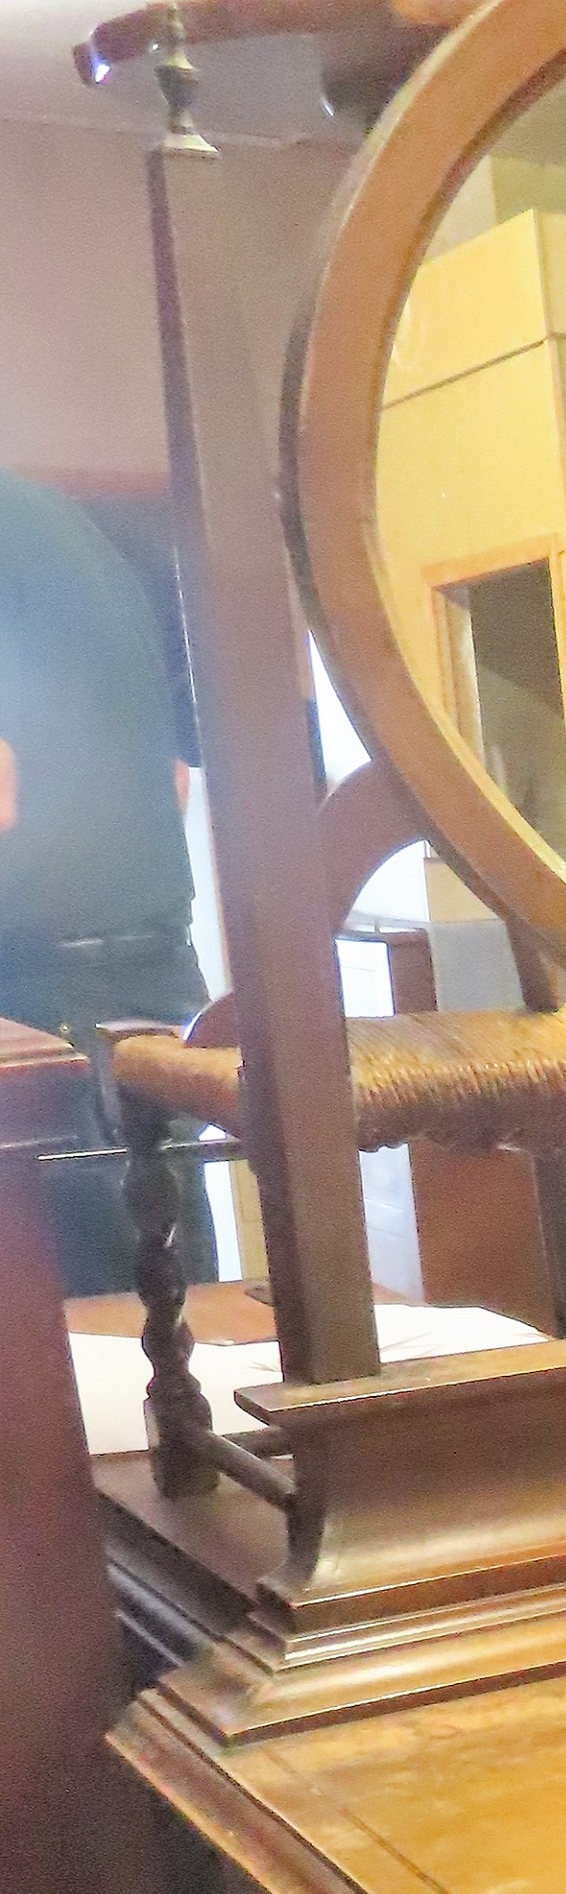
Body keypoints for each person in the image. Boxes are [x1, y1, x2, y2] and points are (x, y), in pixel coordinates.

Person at [0, 468, 217, 1295]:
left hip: (44, 1009)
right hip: (141, 991)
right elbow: (174, 780)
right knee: (160, 1337)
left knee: (76, 1360)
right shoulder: (66, 525)